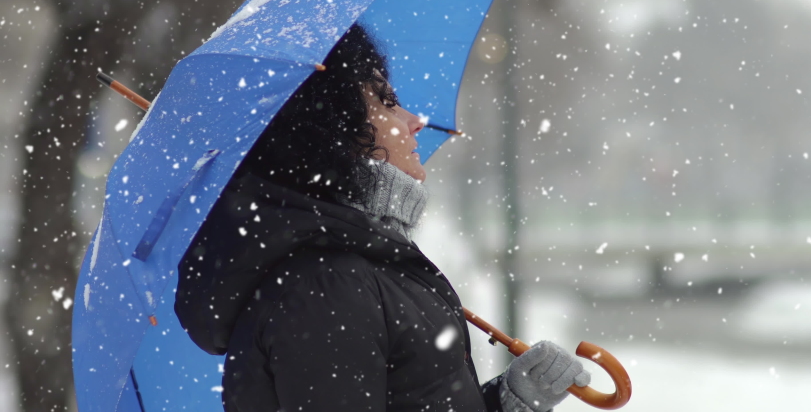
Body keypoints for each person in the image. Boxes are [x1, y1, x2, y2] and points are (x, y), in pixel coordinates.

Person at [174, 23, 590, 411]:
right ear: (333, 129)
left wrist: (510, 400)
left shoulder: (364, 268)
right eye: (388, 103)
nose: (415, 122)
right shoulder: (328, 287)